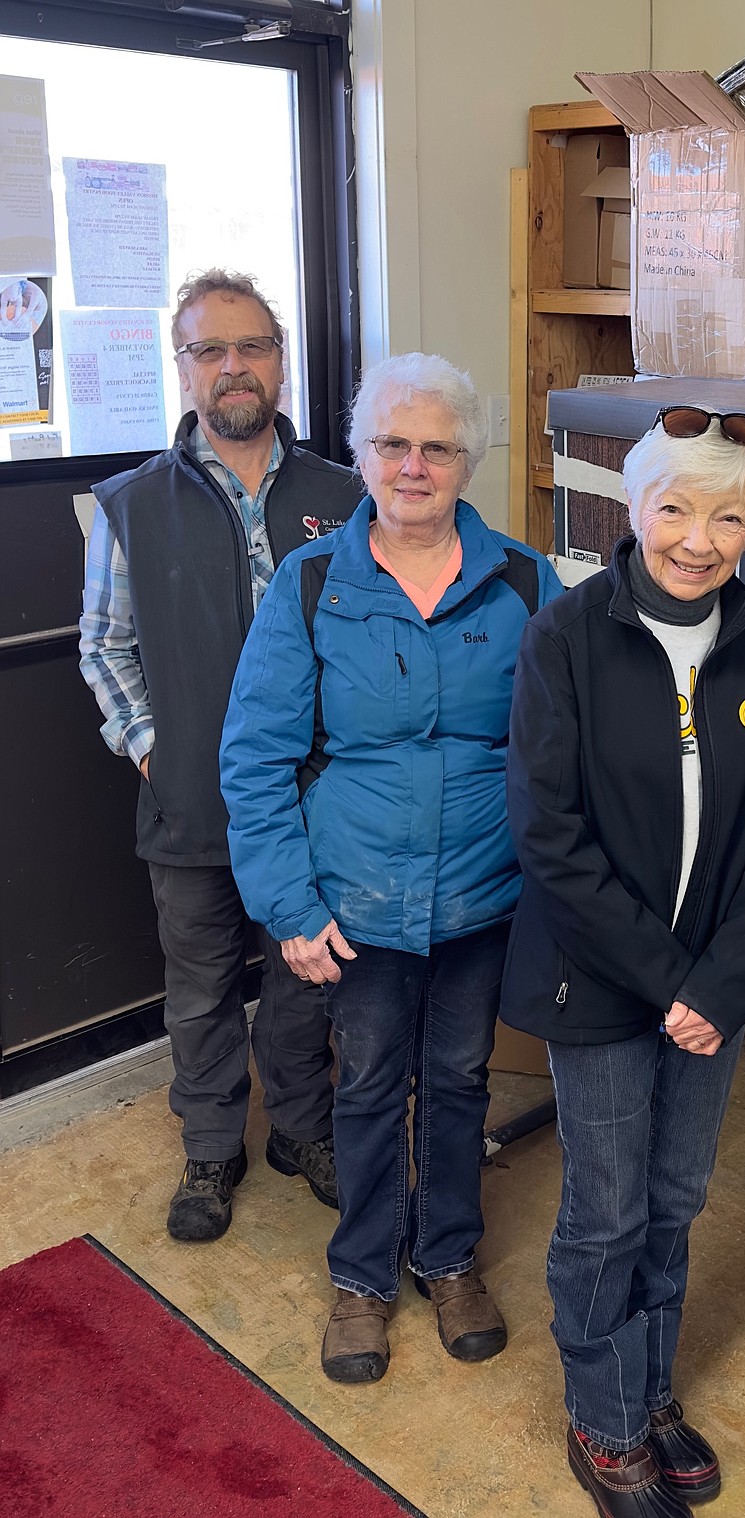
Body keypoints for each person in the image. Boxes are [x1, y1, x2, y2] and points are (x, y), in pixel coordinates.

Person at [500, 405, 745, 1516]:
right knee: (605, 1209)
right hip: (602, 982)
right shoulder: (568, 636)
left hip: (715, 990)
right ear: (631, 509)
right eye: (676, 507)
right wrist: (672, 980)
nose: (698, 538)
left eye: (727, 516)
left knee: (676, 1197)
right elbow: (548, 833)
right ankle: (602, 1414)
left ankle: (647, 1390)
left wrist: (724, 980)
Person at [219, 351, 562, 1384]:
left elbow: (558, 747)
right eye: (393, 445)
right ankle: (363, 1277)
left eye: (438, 448)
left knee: (458, 1079)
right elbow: (256, 754)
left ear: (469, 460)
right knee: (367, 1083)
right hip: (354, 894)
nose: (414, 467)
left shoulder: (523, 581)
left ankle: (448, 1255)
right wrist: (287, 903)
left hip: (480, 895)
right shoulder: (312, 582)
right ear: (364, 456)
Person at [79, 270, 364, 1244]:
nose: (233, 366)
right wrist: (157, 753)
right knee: (201, 988)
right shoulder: (129, 506)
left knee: (305, 979)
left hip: (315, 808)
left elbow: (372, 638)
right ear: (185, 368)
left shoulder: (345, 494)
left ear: (280, 361)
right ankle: (211, 1146)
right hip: (191, 808)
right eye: (210, 350)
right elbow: (105, 649)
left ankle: (300, 1127)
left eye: (251, 346)